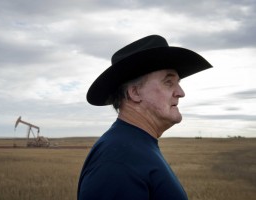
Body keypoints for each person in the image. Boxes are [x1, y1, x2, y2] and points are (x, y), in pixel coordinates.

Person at [77, 35, 212, 200]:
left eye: (178, 82)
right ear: (135, 92)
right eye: (168, 82)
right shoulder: (117, 160)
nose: (181, 92)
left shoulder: (135, 146)